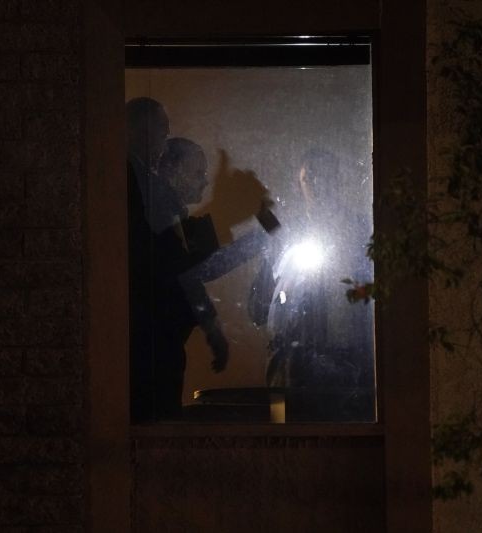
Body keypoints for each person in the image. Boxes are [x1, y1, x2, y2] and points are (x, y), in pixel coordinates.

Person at [248, 148, 374, 421]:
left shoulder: (359, 230)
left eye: (325, 176)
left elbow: (371, 293)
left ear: (338, 180)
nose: (317, 184)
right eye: (310, 177)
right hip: (292, 366)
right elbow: (257, 308)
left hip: (346, 362)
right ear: (299, 183)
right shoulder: (286, 235)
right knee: (286, 440)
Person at [127, 98, 226, 422]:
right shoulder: (144, 189)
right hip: (152, 340)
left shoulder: (144, 187)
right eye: (161, 128)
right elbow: (183, 270)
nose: (204, 181)